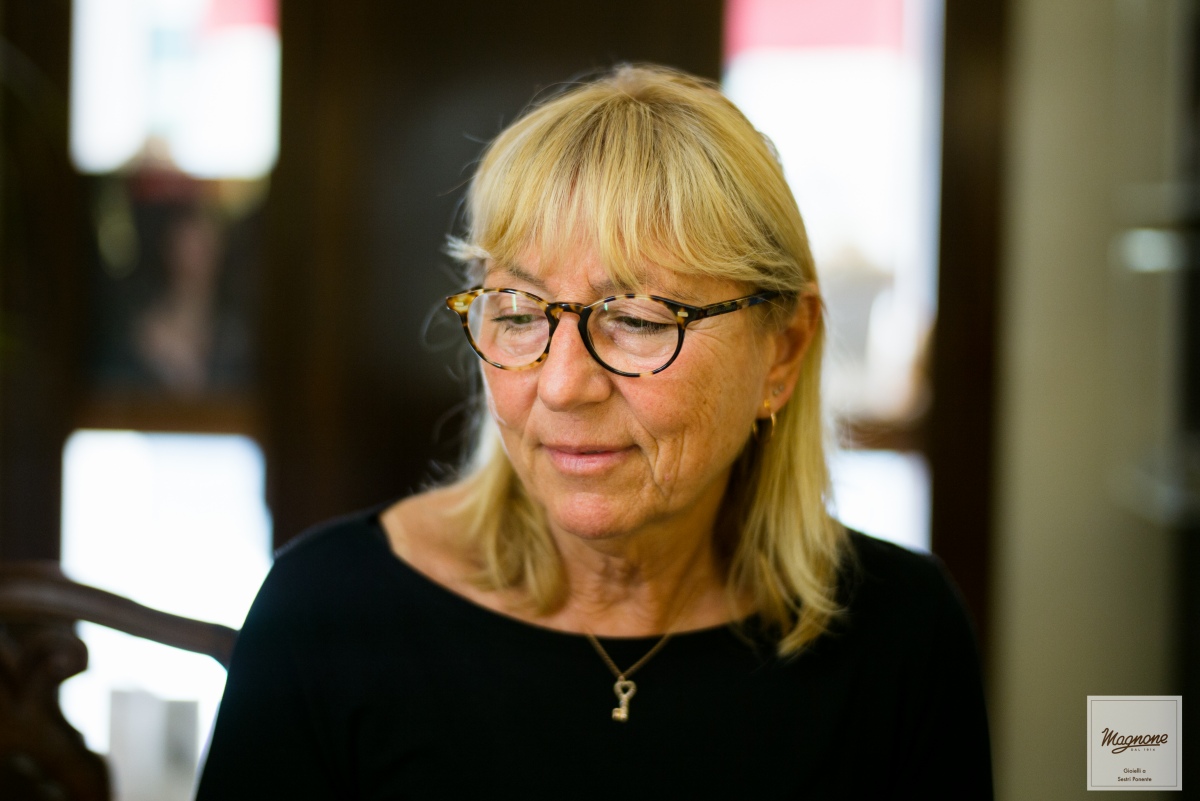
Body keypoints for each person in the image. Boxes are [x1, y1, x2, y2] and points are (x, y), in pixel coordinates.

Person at [195, 64, 993, 799]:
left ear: (781, 350)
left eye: (639, 320)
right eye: (518, 313)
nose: (562, 385)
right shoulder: (329, 614)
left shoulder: (901, 635)